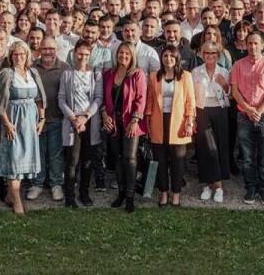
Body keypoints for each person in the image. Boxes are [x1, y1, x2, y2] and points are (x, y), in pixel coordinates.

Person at [0, 42, 47, 215]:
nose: (19, 57)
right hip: (13, 121)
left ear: (27, 55)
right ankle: (17, 201)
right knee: (13, 159)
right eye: (15, 54)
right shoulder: (7, 73)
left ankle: (10, 196)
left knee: (23, 160)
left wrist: (42, 119)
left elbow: (39, 98)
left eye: (22, 54)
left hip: (30, 123)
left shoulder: (33, 72)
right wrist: (7, 123)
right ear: (10, 56)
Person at [231, 33, 264, 205]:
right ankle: (250, 188)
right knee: (248, 156)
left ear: (262, 45)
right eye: (250, 43)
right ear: (246, 45)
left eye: (256, 43)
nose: (253, 46)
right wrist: (248, 109)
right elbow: (235, 91)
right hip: (244, 115)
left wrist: (258, 111)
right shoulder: (238, 65)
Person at [145, 46, 196, 207]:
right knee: (159, 160)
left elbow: (190, 101)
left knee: (178, 160)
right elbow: (150, 100)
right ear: (161, 58)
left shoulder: (185, 76)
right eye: (165, 56)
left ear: (177, 58)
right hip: (158, 122)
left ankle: (176, 194)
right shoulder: (154, 76)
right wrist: (147, 121)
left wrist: (189, 122)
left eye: (171, 56)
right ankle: (163, 193)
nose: (168, 59)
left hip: (179, 123)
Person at [102, 42, 147, 210]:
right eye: (121, 53)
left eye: (127, 53)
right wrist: (104, 115)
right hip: (113, 122)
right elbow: (103, 98)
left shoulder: (137, 74)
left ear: (132, 56)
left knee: (130, 158)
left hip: (131, 122)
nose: (123, 56)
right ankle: (121, 192)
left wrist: (135, 120)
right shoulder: (109, 74)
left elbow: (141, 99)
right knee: (118, 158)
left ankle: (130, 196)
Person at [58, 41, 104, 209]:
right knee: (72, 160)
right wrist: (73, 118)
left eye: (86, 54)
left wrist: (85, 117)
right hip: (72, 121)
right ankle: (70, 196)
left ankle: (84, 193)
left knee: (87, 160)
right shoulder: (67, 74)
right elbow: (61, 99)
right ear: (74, 53)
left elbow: (98, 98)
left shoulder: (95, 74)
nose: (83, 57)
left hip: (89, 121)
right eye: (80, 53)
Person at [191, 41, 231, 203]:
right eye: (206, 53)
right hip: (202, 110)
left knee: (220, 147)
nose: (210, 55)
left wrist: (225, 85)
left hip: (220, 110)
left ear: (218, 55)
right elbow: (191, 95)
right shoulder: (195, 72)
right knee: (206, 148)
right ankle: (209, 185)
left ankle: (218, 186)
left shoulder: (224, 71)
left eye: (213, 53)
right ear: (202, 54)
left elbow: (230, 94)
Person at [31, 37, 69, 201]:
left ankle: (56, 184)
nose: (48, 52)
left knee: (55, 154)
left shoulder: (65, 68)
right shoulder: (32, 68)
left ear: (57, 50)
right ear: (39, 49)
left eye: (51, 49)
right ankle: (37, 184)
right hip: (36, 120)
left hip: (57, 118)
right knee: (38, 153)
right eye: (44, 48)